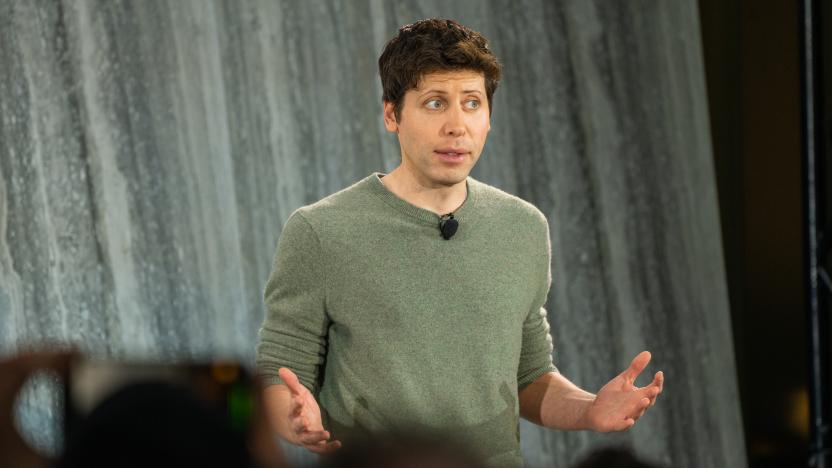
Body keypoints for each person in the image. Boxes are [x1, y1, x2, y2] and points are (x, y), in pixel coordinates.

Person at [256, 18, 664, 467]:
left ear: (488, 117)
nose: (457, 125)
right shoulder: (320, 231)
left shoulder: (523, 226)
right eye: (435, 103)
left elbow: (529, 375)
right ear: (392, 114)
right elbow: (278, 372)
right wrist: (291, 420)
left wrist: (590, 410)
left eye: (472, 104)